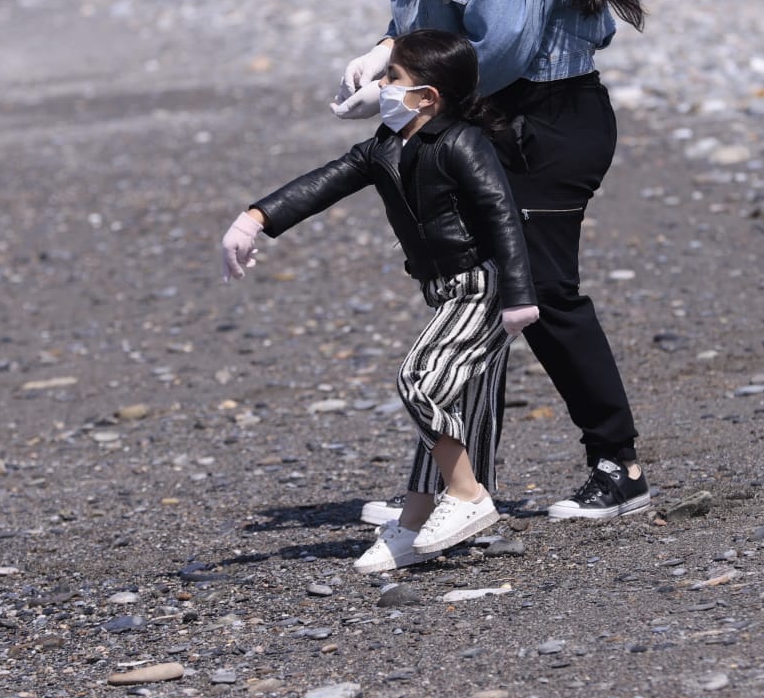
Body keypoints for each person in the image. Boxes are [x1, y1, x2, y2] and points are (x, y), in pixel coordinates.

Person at [331, 0, 650, 522]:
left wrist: (409, 87)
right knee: (470, 294)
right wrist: (385, 52)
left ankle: (619, 466)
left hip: (548, 120)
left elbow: (502, 46)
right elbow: (419, 8)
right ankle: (459, 488)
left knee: (539, 291)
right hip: (482, 112)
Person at [222, 29, 540, 573]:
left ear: (428, 97)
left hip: (483, 290)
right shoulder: (387, 147)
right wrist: (254, 219)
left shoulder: (464, 142)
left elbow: (502, 214)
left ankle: (466, 496)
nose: (381, 87)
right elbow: (324, 182)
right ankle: (415, 524)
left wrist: (519, 295)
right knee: (459, 408)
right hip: (442, 292)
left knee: (420, 382)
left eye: (392, 78)